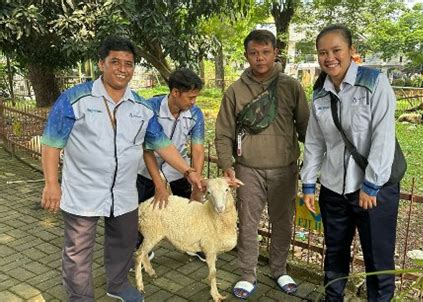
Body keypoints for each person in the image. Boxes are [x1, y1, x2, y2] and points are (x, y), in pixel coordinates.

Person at [40, 36, 202, 302]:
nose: (122, 69)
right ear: (101, 63)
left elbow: (161, 144)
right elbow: (51, 143)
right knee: (78, 251)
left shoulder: (140, 107)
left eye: (128, 63)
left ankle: (117, 285)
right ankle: (79, 297)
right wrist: (52, 184)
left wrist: (188, 171)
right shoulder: (75, 99)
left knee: (124, 243)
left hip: (124, 193)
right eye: (115, 62)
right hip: (84, 191)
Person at [300, 24, 400, 301]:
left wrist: (371, 184)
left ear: (352, 51)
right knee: (334, 254)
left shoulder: (373, 82)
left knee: (377, 261)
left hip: (373, 191)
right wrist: (309, 184)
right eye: (322, 52)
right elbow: (315, 141)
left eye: (336, 50)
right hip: (333, 189)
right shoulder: (320, 92)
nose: (329, 57)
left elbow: (383, 135)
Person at [215, 29, 309, 299]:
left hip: (285, 169)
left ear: (275, 52)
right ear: (246, 55)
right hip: (248, 170)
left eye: (265, 52)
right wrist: (226, 164)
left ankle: (279, 269)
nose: (260, 58)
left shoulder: (290, 86)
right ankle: (247, 274)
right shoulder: (235, 91)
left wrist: (314, 165)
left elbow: (307, 129)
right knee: (247, 223)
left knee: (283, 222)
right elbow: (223, 133)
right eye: (254, 53)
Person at [136, 67, 206, 261]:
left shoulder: (195, 114)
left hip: (179, 169)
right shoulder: (150, 109)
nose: (194, 102)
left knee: (190, 208)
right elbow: (147, 150)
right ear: (175, 93)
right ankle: (141, 248)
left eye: (196, 97)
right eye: (190, 97)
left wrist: (197, 182)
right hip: (146, 168)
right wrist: (159, 184)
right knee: (141, 208)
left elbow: (198, 149)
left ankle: (193, 243)